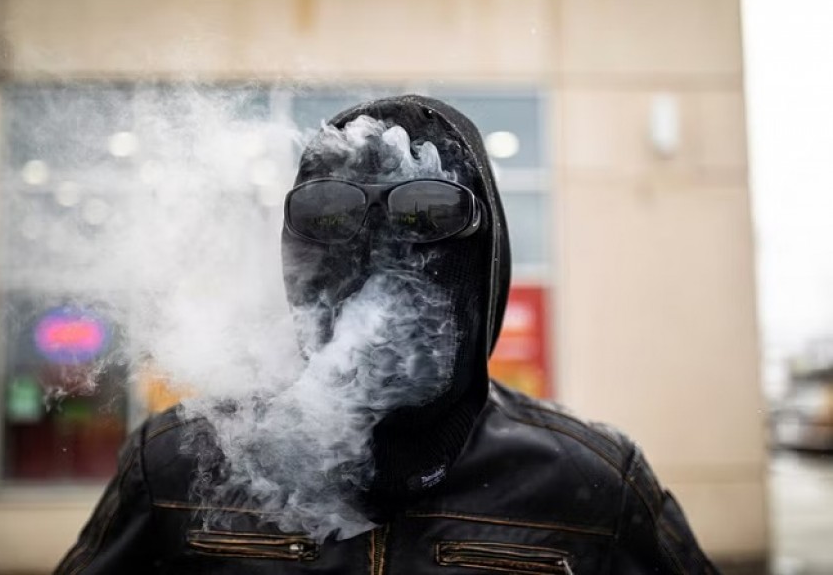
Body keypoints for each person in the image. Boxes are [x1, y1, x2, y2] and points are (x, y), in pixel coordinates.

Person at [57, 95, 719, 574]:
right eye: (328, 211)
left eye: (427, 211)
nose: (378, 250)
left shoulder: (589, 483)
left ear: (484, 257)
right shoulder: (182, 465)